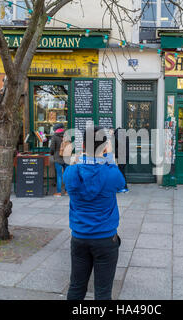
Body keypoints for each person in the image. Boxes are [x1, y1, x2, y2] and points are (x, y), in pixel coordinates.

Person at [63, 126, 125, 300]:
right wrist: (110, 157)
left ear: (83, 145)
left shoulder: (70, 172)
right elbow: (120, 184)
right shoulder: (112, 173)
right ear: (105, 147)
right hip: (105, 238)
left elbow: (74, 171)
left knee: (76, 286)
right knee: (103, 291)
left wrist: (76, 160)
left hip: (79, 237)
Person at [50, 123, 68, 197]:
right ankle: (67, 192)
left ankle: (59, 192)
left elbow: (52, 148)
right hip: (66, 157)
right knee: (66, 175)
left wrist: (52, 153)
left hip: (58, 158)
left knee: (59, 175)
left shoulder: (54, 137)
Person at [114, 127, 129, 193]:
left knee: (121, 172)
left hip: (122, 156)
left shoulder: (118, 136)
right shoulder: (125, 136)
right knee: (121, 172)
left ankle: (124, 187)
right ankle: (122, 187)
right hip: (125, 156)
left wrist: (114, 153)